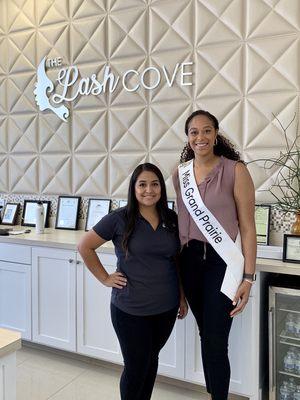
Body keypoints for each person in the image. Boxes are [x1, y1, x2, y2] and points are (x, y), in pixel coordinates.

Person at [78, 162, 188, 400]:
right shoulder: (119, 218)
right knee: (136, 367)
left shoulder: (171, 218)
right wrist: (105, 278)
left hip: (165, 308)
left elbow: (176, 260)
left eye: (155, 184)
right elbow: (85, 245)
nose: (149, 190)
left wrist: (181, 296)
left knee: (151, 361)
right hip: (130, 309)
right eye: (142, 185)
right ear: (134, 188)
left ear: (161, 188)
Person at [173, 110, 256, 400]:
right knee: (206, 333)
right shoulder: (179, 173)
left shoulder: (236, 170)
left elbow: (248, 227)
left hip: (225, 263)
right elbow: (182, 222)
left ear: (216, 134)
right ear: (188, 137)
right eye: (194, 132)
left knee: (216, 338)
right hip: (190, 262)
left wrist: (248, 277)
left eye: (206, 131)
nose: (200, 137)